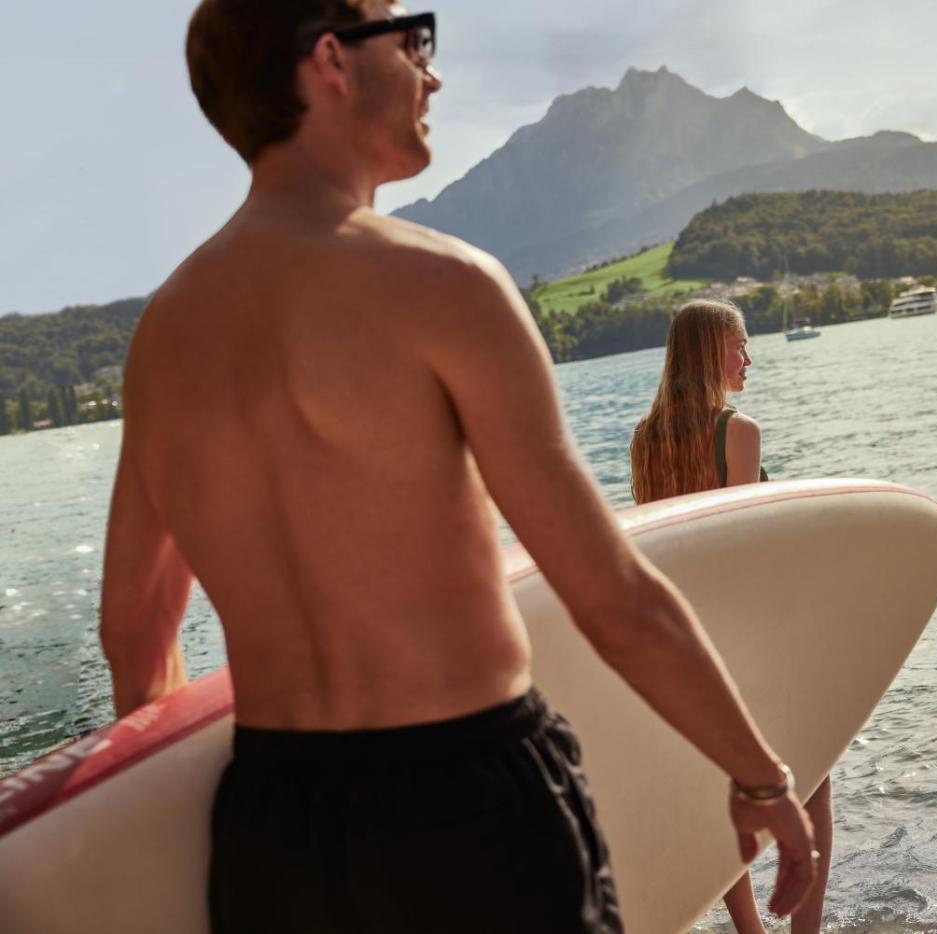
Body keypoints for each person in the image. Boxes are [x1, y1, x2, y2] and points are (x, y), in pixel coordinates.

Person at [98, 3, 816, 931]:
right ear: (331, 61)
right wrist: (761, 777)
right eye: (411, 40)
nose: (431, 73)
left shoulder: (166, 337)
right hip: (467, 810)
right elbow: (612, 597)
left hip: (272, 831)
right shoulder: (444, 287)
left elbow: (136, 642)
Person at [630, 301, 834, 934]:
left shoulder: (645, 439)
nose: (748, 358)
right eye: (739, 345)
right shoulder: (737, 432)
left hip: (686, 643)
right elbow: (744, 546)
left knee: (720, 792)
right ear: (708, 352)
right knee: (813, 780)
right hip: (751, 631)